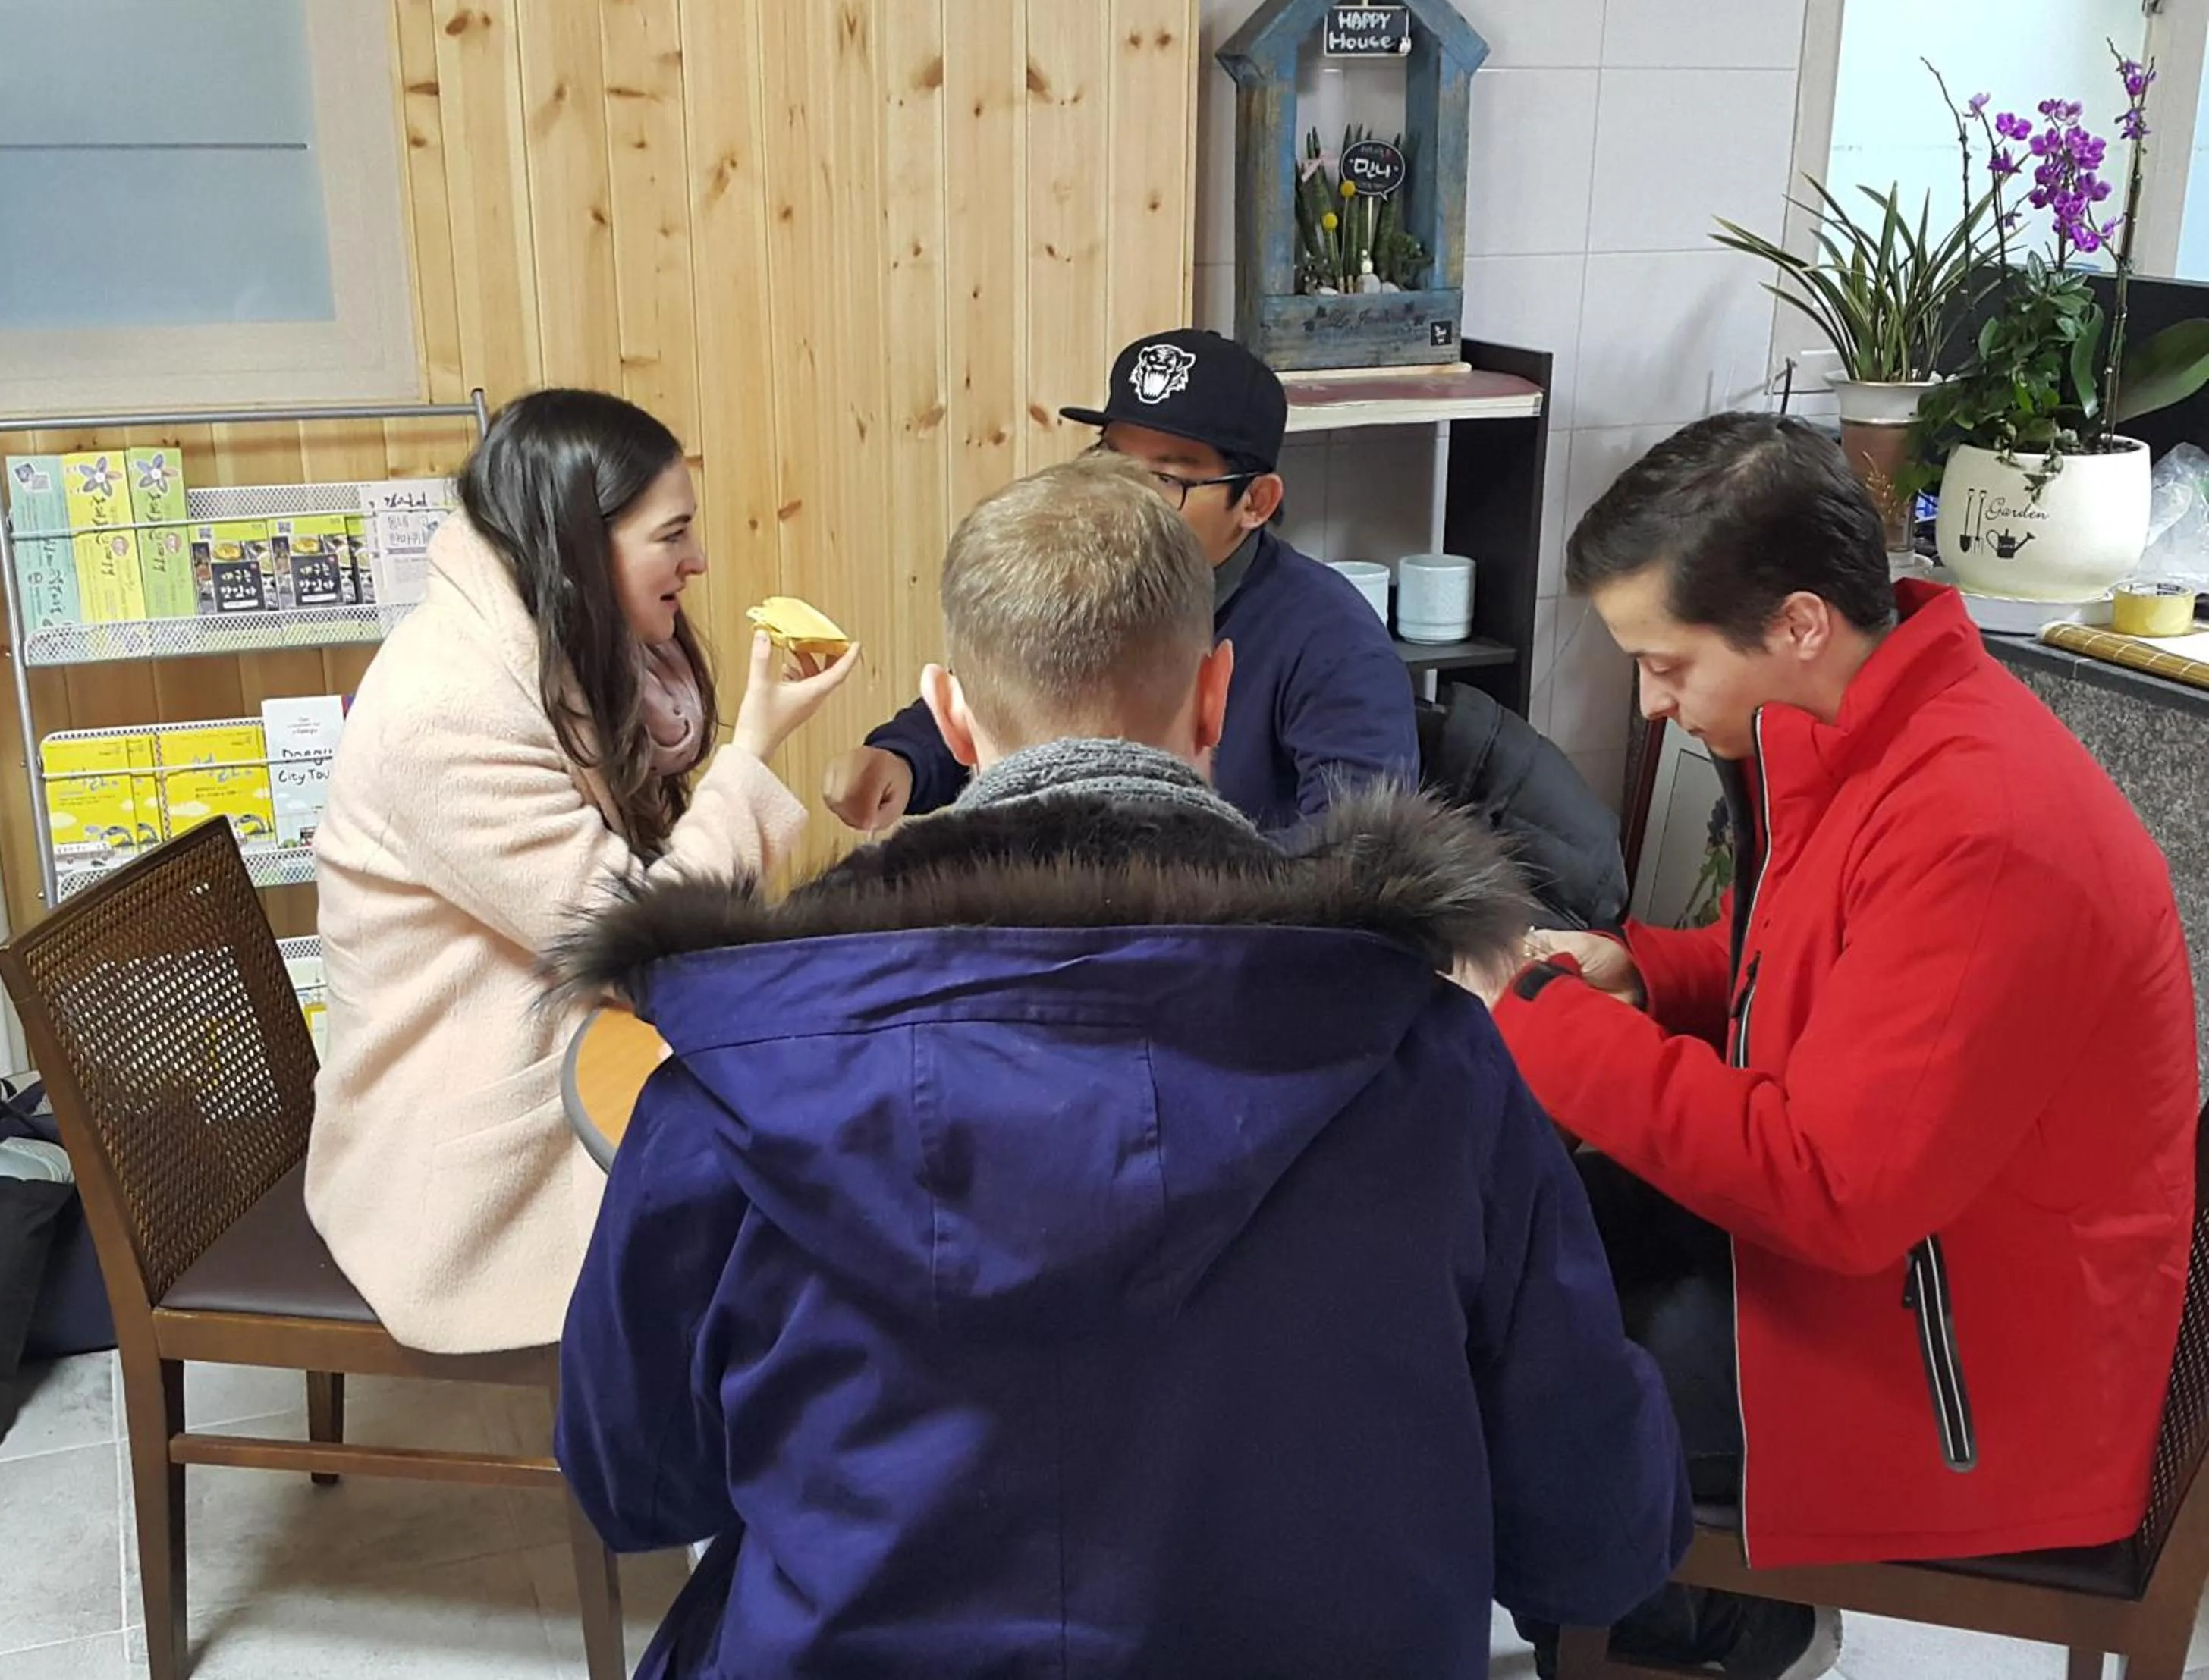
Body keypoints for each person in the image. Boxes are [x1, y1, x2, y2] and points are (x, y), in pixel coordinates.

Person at [551, 455, 1691, 1679]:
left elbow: (635, 1487)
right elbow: (1596, 1540)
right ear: (1215, 696)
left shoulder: (737, 1071)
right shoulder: (1434, 1059)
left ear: (949, 719)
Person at [1475, 413, 2199, 1677]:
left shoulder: (1981, 826)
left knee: (1511, 1383)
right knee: (1510, 1251)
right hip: (1930, 1278)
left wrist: (1539, 1023)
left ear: (1800, 622)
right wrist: (1648, 970)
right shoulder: (1873, 731)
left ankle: (1713, 1631)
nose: (1650, 699)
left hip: (1958, 1377)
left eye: (1666, 661)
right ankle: (1686, 1620)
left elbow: (1833, 1192)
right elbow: (1821, 978)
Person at [308, 388, 858, 1354]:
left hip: (556, 1023)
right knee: (784, 1216)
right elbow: (631, 936)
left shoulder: (558, 636)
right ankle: (682, 1481)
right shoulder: (445, 710)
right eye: (672, 537)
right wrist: (759, 748)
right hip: (465, 1130)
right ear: (577, 543)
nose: (698, 563)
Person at [823, 328, 1419, 837]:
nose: (1127, 497)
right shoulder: (1089, 577)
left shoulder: (1332, 640)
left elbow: (1358, 852)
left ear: (1256, 501)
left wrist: (1181, 889)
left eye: (1166, 479)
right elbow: (1005, 690)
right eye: (1112, 461)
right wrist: (899, 759)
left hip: (1232, 946)